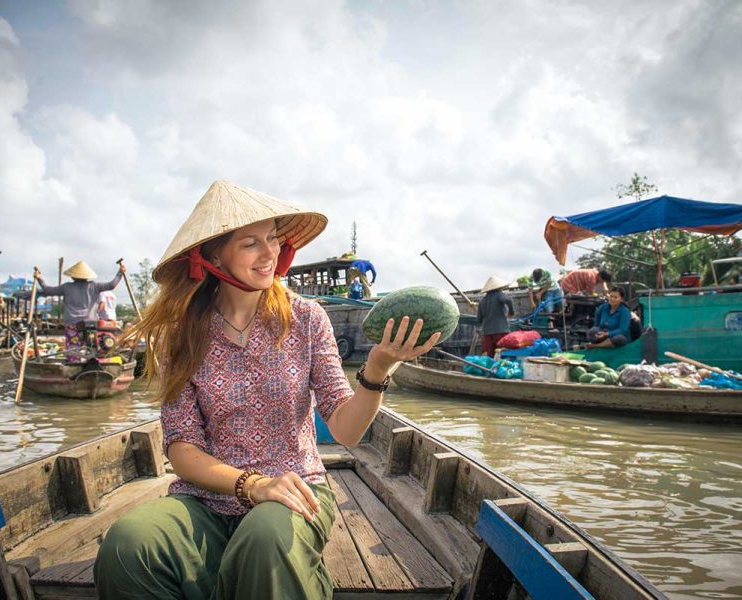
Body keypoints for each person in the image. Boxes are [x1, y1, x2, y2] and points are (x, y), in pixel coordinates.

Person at [93, 180, 440, 600]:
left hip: (293, 494)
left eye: (273, 239)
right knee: (128, 544)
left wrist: (378, 368)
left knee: (265, 538)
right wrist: (250, 485)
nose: (269, 253)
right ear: (213, 255)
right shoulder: (182, 334)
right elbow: (182, 448)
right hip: (204, 501)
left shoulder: (306, 319)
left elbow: (347, 431)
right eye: (250, 243)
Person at [36, 261, 124, 352]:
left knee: (74, 351)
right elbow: (112, 285)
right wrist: (120, 272)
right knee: (91, 348)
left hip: (72, 324)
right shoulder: (94, 286)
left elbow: (48, 290)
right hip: (90, 323)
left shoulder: (67, 287)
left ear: (72, 276)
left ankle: (75, 362)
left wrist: (39, 278)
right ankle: (92, 362)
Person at [476, 275, 515, 357]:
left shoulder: (482, 301)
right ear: (499, 287)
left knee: (488, 357)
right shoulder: (499, 295)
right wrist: (511, 312)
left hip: (487, 333)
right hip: (501, 332)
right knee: (502, 356)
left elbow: (479, 319)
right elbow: (508, 300)